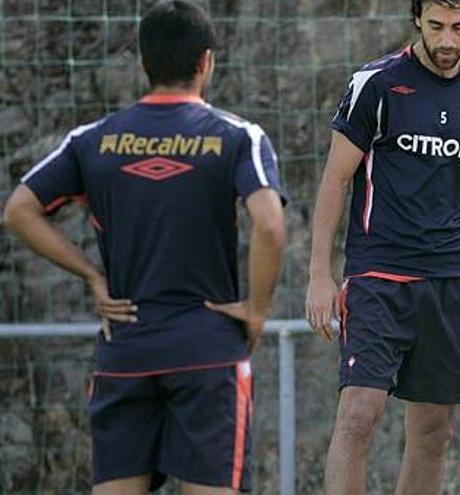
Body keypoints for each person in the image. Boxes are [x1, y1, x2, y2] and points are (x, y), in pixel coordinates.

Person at [3, 1, 286, 494]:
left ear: (142, 63)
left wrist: (92, 275)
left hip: (126, 349)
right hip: (207, 348)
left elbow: (17, 211)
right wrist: (257, 309)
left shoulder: (93, 140)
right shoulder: (239, 136)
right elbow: (269, 224)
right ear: (207, 62)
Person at [304, 1, 460, 493]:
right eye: (437, 26)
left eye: (459, 28)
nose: (447, 40)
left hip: (451, 279)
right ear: (417, 20)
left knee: (433, 431)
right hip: (379, 274)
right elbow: (335, 180)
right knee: (358, 414)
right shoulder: (376, 84)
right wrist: (319, 274)